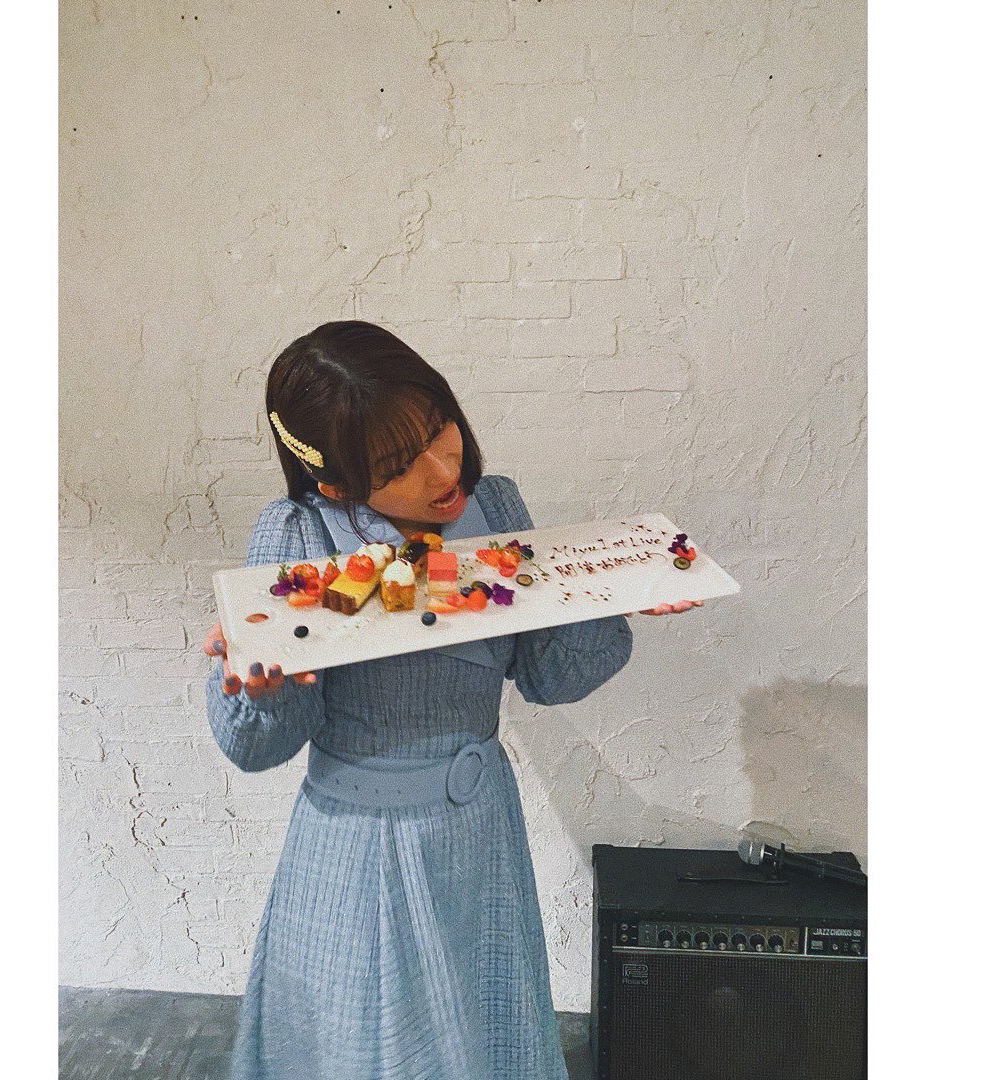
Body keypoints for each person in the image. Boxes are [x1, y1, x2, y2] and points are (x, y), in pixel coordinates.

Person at [202, 321, 702, 1080]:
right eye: (399, 464)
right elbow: (254, 747)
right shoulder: (301, 532)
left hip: (480, 833)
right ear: (337, 484)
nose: (444, 469)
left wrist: (608, 599)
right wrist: (263, 692)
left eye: (441, 429)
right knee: (368, 1048)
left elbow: (548, 675)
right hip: (362, 845)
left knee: (484, 1029)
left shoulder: (494, 507)